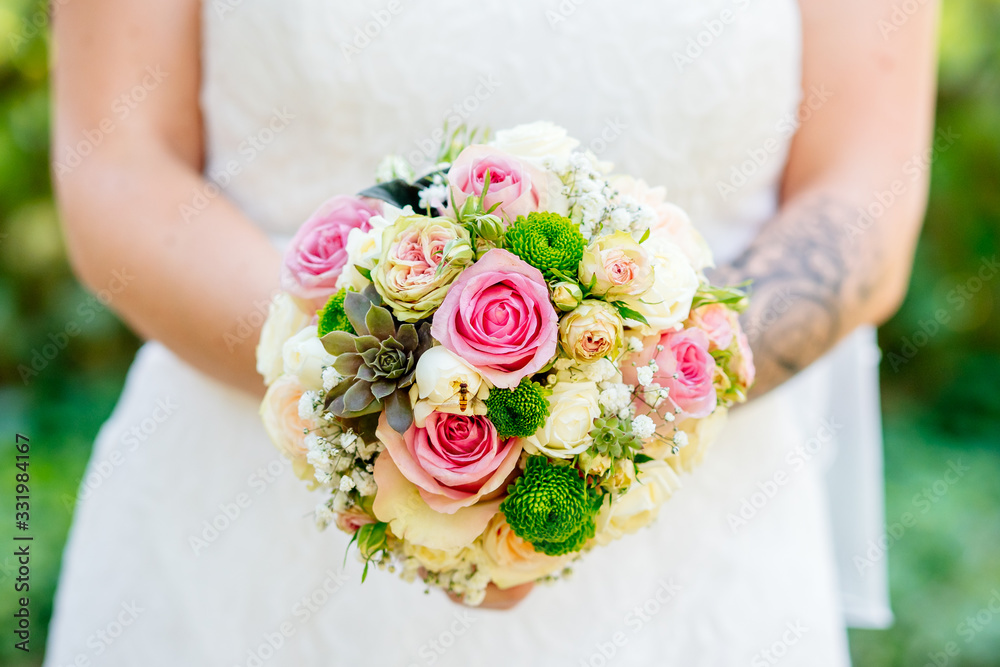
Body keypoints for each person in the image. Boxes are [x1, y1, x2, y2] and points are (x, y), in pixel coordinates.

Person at [45, 0, 938, 664]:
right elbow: (118, 170)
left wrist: (614, 420)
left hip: (694, 558)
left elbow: (865, 195)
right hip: (235, 552)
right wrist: (374, 411)